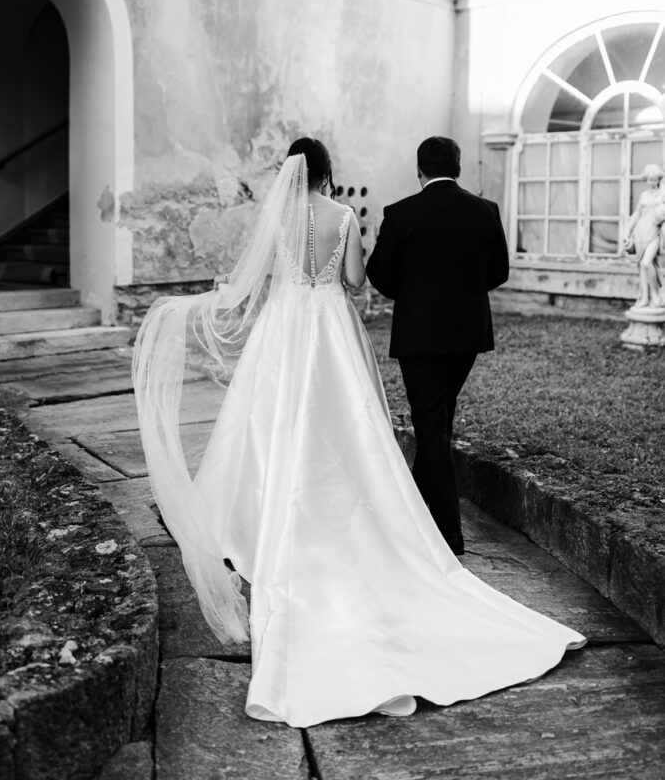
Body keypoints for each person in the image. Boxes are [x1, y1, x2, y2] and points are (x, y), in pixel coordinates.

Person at [133, 136, 584, 729]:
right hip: (333, 331)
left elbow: (266, 277)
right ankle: (373, 514)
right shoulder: (345, 216)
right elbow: (353, 281)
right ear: (327, 173)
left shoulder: (278, 218)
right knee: (349, 428)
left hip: (284, 329)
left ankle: (241, 518)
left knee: (265, 422)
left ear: (289, 172)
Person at [366, 136, 509, 555]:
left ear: (419, 170)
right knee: (438, 422)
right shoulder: (486, 211)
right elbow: (498, 271)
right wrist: (463, 293)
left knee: (432, 426)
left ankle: (449, 534)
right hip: (467, 335)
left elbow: (379, 274)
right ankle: (413, 505)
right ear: (458, 167)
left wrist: (413, 295)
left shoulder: (401, 213)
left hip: (419, 334)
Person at [622, 164, 665, 308]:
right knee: (641, 265)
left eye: (655, 179)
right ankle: (645, 298)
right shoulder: (644, 195)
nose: (652, 182)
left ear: (659, 179)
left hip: (654, 231)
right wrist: (627, 230)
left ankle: (655, 294)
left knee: (647, 262)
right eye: (649, 179)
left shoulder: (663, 193)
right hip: (641, 231)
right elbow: (637, 214)